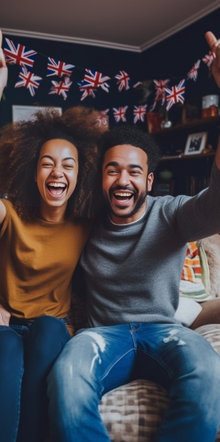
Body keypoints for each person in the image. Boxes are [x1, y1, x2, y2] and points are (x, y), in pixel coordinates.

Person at [46, 31, 220, 442]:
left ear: (148, 179)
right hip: (102, 336)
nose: (123, 180)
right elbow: (27, 255)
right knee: (66, 374)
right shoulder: (82, 221)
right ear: (100, 177)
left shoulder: (172, 214)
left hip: (166, 331)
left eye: (134, 171)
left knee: (210, 370)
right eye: (112, 170)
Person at [0, 28, 96, 442]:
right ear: (31, 170)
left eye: (68, 164)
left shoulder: (87, 224)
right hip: (0, 332)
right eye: (47, 163)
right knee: (7, 345)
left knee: (49, 329)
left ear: (81, 175)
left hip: (49, 331)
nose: (57, 172)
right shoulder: (11, 216)